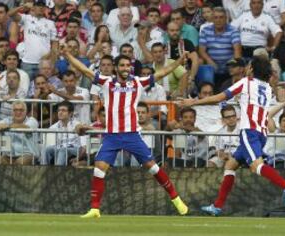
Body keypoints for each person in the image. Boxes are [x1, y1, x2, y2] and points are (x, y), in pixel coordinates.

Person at [61, 44, 190, 218]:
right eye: (121, 65)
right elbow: (84, 69)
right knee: (99, 169)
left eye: (127, 65)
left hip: (131, 135)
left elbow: (161, 73)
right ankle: (95, 209)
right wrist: (68, 54)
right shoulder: (107, 82)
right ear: (115, 68)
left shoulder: (137, 82)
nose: (125, 68)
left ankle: (176, 200)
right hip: (111, 136)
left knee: (153, 168)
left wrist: (179, 62)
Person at [178, 56, 285, 216]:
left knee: (256, 166)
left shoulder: (246, 82)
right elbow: (265, 114)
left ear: (252, 69)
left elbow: (220, 98)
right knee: (230, 166)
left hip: (249, 132)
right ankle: (217, 206)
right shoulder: (267, 88)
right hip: (261, 133)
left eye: (249, 65)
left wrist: (194, 103)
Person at [0, 101, 39, 165]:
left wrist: (8, 126)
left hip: (28, 155)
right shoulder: (7, 120)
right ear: (12, 112)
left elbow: (25, 127)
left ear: (26, 111)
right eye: (15, 110)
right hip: (8, 156)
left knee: (20, 162)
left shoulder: (32, 120)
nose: (18, 112)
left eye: (21, 110)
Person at [42, 101, 86, 166]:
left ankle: (58, 173)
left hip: (75, 149)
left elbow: (84, 147)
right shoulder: (53, 127)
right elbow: (50, 145)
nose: (60, 112)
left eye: (63, 110)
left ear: (70, 113)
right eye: (59, 110)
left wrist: (77, 158)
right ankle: (43, 171)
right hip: (59, 149)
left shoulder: (78, 125)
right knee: (47, 149)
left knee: (63, 150)